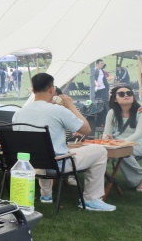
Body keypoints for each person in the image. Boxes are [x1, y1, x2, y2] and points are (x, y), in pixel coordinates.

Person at [12, 72, 115, 211]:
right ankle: (91, 199)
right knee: (100, 151)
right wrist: (70, 106)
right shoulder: (58, 110)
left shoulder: (18, 113)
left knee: (47, 149)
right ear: (51, 89)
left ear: (33, 90)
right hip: (57, 164)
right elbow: (86, 129)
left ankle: (46, 196)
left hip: (29, 163)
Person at [102, 85, 142, 191]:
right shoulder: (112, 113)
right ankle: (97, 181)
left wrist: (121, 143)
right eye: (121, 94)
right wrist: (107, 138)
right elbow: (106, 133)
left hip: (140, 143)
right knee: (101, 151)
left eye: (129, 93)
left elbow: (139, 133)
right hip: (119, 143)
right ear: (115, 99)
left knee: (120, 151)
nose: (126, 95)